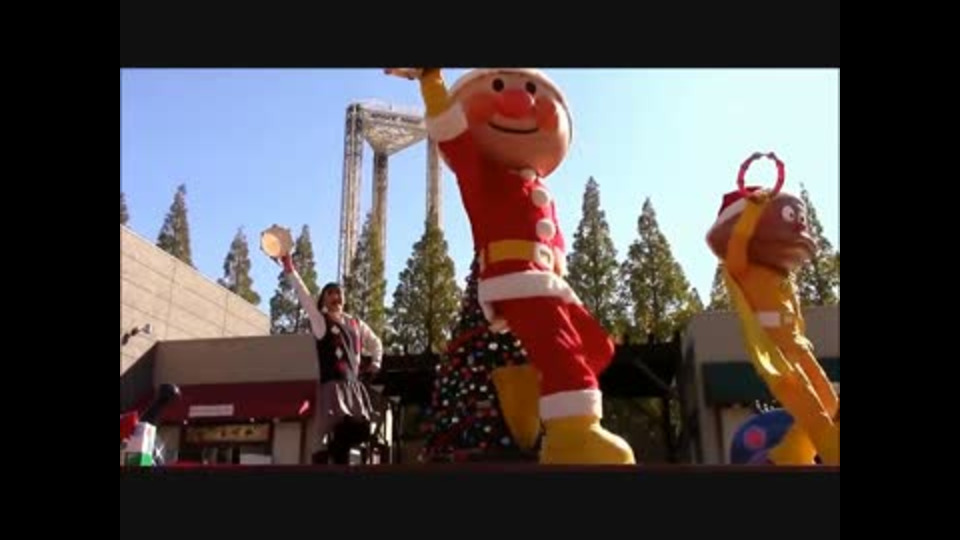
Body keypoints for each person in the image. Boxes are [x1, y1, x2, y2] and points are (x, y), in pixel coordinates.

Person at [398, 67, 634, 465]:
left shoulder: (535, 185)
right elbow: (454, 138)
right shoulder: (481, 177)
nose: (519, 101)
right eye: (498, 88)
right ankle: (573, 433)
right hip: (514, 278)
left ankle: (548, 402)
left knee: (596, 347)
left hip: (547, 282)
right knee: (561, 351)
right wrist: (431, 81)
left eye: (530, 90)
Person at [277, 253, 384, 465]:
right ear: (324, 299)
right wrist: (290, 269)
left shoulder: (356, 324)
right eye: (331, 293)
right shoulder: (320, 321)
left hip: (353, 387)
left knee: (361, 429)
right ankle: (324, 462)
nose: (336, 296)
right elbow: (304, 296)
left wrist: (376, 362)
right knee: (326, 435)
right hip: (331, 386)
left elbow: (376, 343)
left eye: (339, 293)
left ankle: (335, 454)